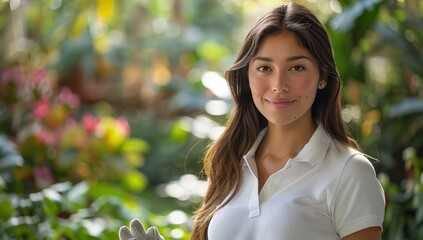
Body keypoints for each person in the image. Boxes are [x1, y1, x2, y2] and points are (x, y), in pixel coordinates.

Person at [120, 2, 385, 240]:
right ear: (247, 75)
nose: (279, 85)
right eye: (264, 68)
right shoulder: (230, 161)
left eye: (297, 68)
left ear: (323, 77)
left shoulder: (349, 172)